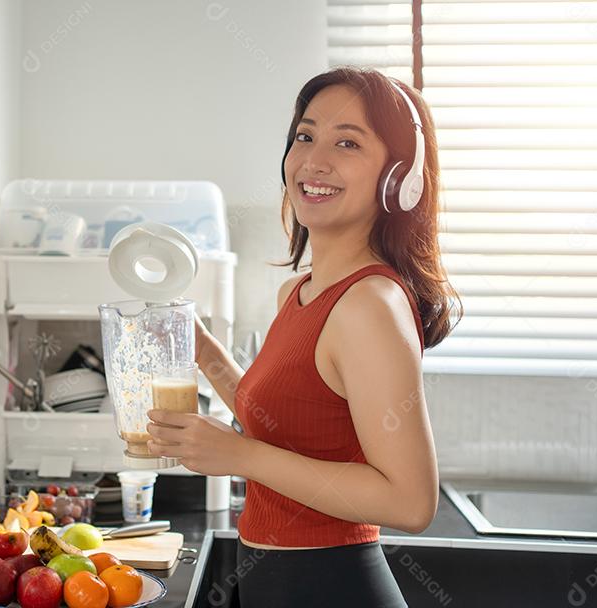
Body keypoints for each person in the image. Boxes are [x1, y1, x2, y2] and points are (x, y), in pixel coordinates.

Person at [145, 66, 461, 606]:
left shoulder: (370, 305)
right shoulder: (301, 291)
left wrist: (238, 457)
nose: (315, 161)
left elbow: (411, 503)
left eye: (347, 143)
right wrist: (205, 352)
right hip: (276, 582)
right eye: (305, 136)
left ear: (397, 178)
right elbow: (285, 427)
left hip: (333, 586)